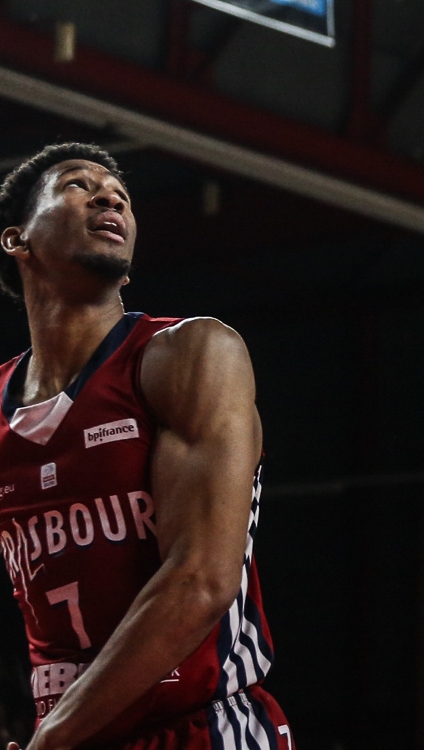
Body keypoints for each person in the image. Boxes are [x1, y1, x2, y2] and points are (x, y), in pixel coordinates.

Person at [0, 143, 284, 749]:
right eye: (79, 185)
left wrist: (53, 738)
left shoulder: (188, 355)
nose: (110, 196)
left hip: (200, 728)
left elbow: (201, 580)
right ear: (17, 240)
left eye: (121, 194)